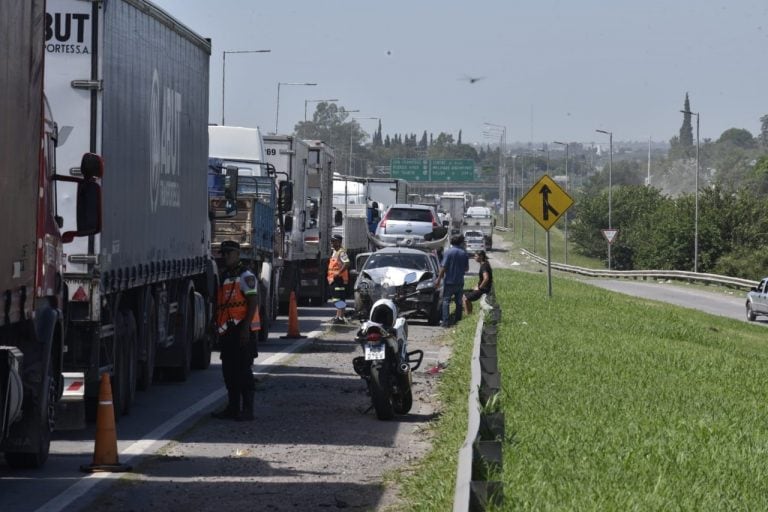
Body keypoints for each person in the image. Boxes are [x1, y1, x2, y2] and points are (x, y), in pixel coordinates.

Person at [211, 240, 260, 421]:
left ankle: (247, 410)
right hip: (228, 332)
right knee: (229, 372)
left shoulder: (246, 275)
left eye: (229, 253)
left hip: (242, 330)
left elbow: (253, 302)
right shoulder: (224, 276)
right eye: (223, 253)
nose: (225, 256)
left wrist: (246, 329)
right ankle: (232, 408)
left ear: (238, 254)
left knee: (243, 372)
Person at [435, 234, 469, 327]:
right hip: (460, 281)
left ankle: (445, 322)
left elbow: (443, 268)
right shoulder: (464, 253)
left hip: (449, 281)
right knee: (458, 302)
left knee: (446, 301)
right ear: (460, 242)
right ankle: (458, 321)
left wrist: (438, 279)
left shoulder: (448, 252)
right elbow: (466, 269)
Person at [327, 234, 350, 323]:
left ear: (339, 242)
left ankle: (340, 317)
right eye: (331, 241)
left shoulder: (341, 252)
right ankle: (339, 316)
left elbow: (347, 263)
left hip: (338, 280)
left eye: (334, 241)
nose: (332, 243)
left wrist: (338, 273)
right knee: (339, 298)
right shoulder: (335, 252)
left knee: (338, 298)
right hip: (334, 279)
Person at [463, 250, 493, 315]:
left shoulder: (484, 266)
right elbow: (482, 279)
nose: (474, 257)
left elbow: (486, 278)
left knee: (465, 298)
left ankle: (467, 314)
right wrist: (476, 285)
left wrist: (479, 287)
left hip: (484, 289)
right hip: (484, 288)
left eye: (476, 256)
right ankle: (470, 313)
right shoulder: (484, 264)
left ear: (481, 257)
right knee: (465, 293)